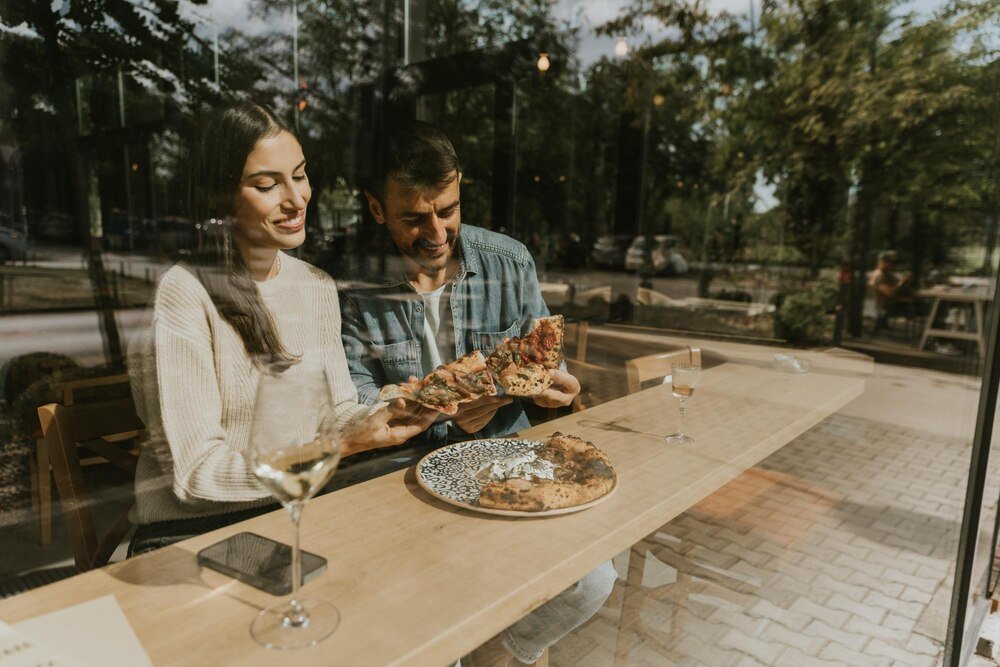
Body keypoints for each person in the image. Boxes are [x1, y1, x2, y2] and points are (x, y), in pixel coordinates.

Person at [339, 121, 614, 667]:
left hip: (501, 459)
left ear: (459, 187)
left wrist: (550, 390)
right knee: (429, 603)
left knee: (591, 580)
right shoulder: (347, 283)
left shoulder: (509, 262)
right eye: (413, 218)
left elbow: (545, 369)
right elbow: (355, 397)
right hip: (398, 473)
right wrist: (431, 405)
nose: (436, 233)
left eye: (447, 210)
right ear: (376, 208)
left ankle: (495, 652)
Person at [127, 103, 436, 556]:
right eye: (267, 185)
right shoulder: (183, 294)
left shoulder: (315, 286)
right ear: (221, 197)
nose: (296, 199)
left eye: (300, 174)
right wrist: (338, 445)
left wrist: (395, 408)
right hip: (201, 533)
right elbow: (195, 476)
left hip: (298, 512)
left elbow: (339, 410)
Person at [868, 250, 912, 336]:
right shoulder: (879, 276)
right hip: (887, 306)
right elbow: (890, 293)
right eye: (889, 262)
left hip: (893, 303)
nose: (892, 265)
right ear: (882, 262)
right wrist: (902, 283)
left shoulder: (888, 275)